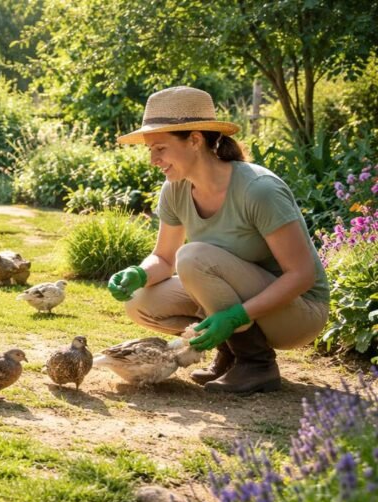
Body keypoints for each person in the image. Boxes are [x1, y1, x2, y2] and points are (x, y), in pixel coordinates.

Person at [108, 86, 329, 394]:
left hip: (298, 313)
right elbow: (164, 258)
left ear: (195, 140)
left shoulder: (259, 190)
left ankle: (256, 363)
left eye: (160, 148)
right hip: (246, 300)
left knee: (193, 257)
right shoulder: (175, 188)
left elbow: (302, 275)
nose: (153, 159)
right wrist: (139, 273)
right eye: (150, 150)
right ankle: (230, 353)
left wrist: (236, 317)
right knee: (140, 301)